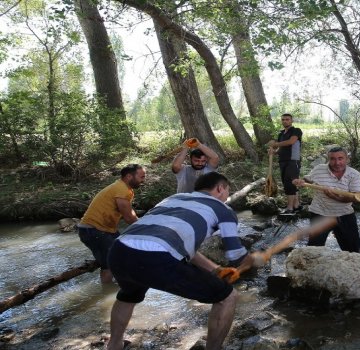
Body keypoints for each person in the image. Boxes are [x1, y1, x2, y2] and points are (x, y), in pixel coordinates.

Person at [106, 172, 254, 350]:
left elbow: (183, 248)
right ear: (220, 188)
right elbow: (235, 255)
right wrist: (252, 259)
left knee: (128, 295)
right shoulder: (223, 209)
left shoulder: (174, 198)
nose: (226, 195)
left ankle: (114, 345)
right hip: (156, 257)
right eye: (227, 190)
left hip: (119, 251)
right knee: (227, 297)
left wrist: (215, 269)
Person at [78, 164, 146, 283]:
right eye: (141, 177)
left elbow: (130, 214)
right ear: (129, 176)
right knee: (108, 265)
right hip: (94, 230)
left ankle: (121, 284)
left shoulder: (122, 187)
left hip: (102, 230)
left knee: (123, 253)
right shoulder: (122, 189)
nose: (143, 180)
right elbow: (129, 218)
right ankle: (107, 291)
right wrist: (148, 227)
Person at [292, 146, 360, 253]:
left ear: (347, 159)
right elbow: (308, 179)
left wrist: (333, 196)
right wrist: (301, 181)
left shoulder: (354, 174)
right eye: (333, 159)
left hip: (344, 214)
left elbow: (354, 198)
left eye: (340, 158)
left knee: (353, 250)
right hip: (320, 213)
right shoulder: (319, 169)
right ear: (328, 159)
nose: (337, 162)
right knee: (314, 251)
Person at [268, 113, 303, 213]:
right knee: (290, 183)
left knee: (290, 184)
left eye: (287, 119)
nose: (285, 121)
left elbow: (291, 142)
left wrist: (275, 144)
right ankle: (296, 205)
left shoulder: (296, 131)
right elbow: (280, 148)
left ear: (291, 121)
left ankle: (289, 208)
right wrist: (274, 152)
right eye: (283, 119)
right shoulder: (281, 134)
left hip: (293, 161)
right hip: (283, 161)